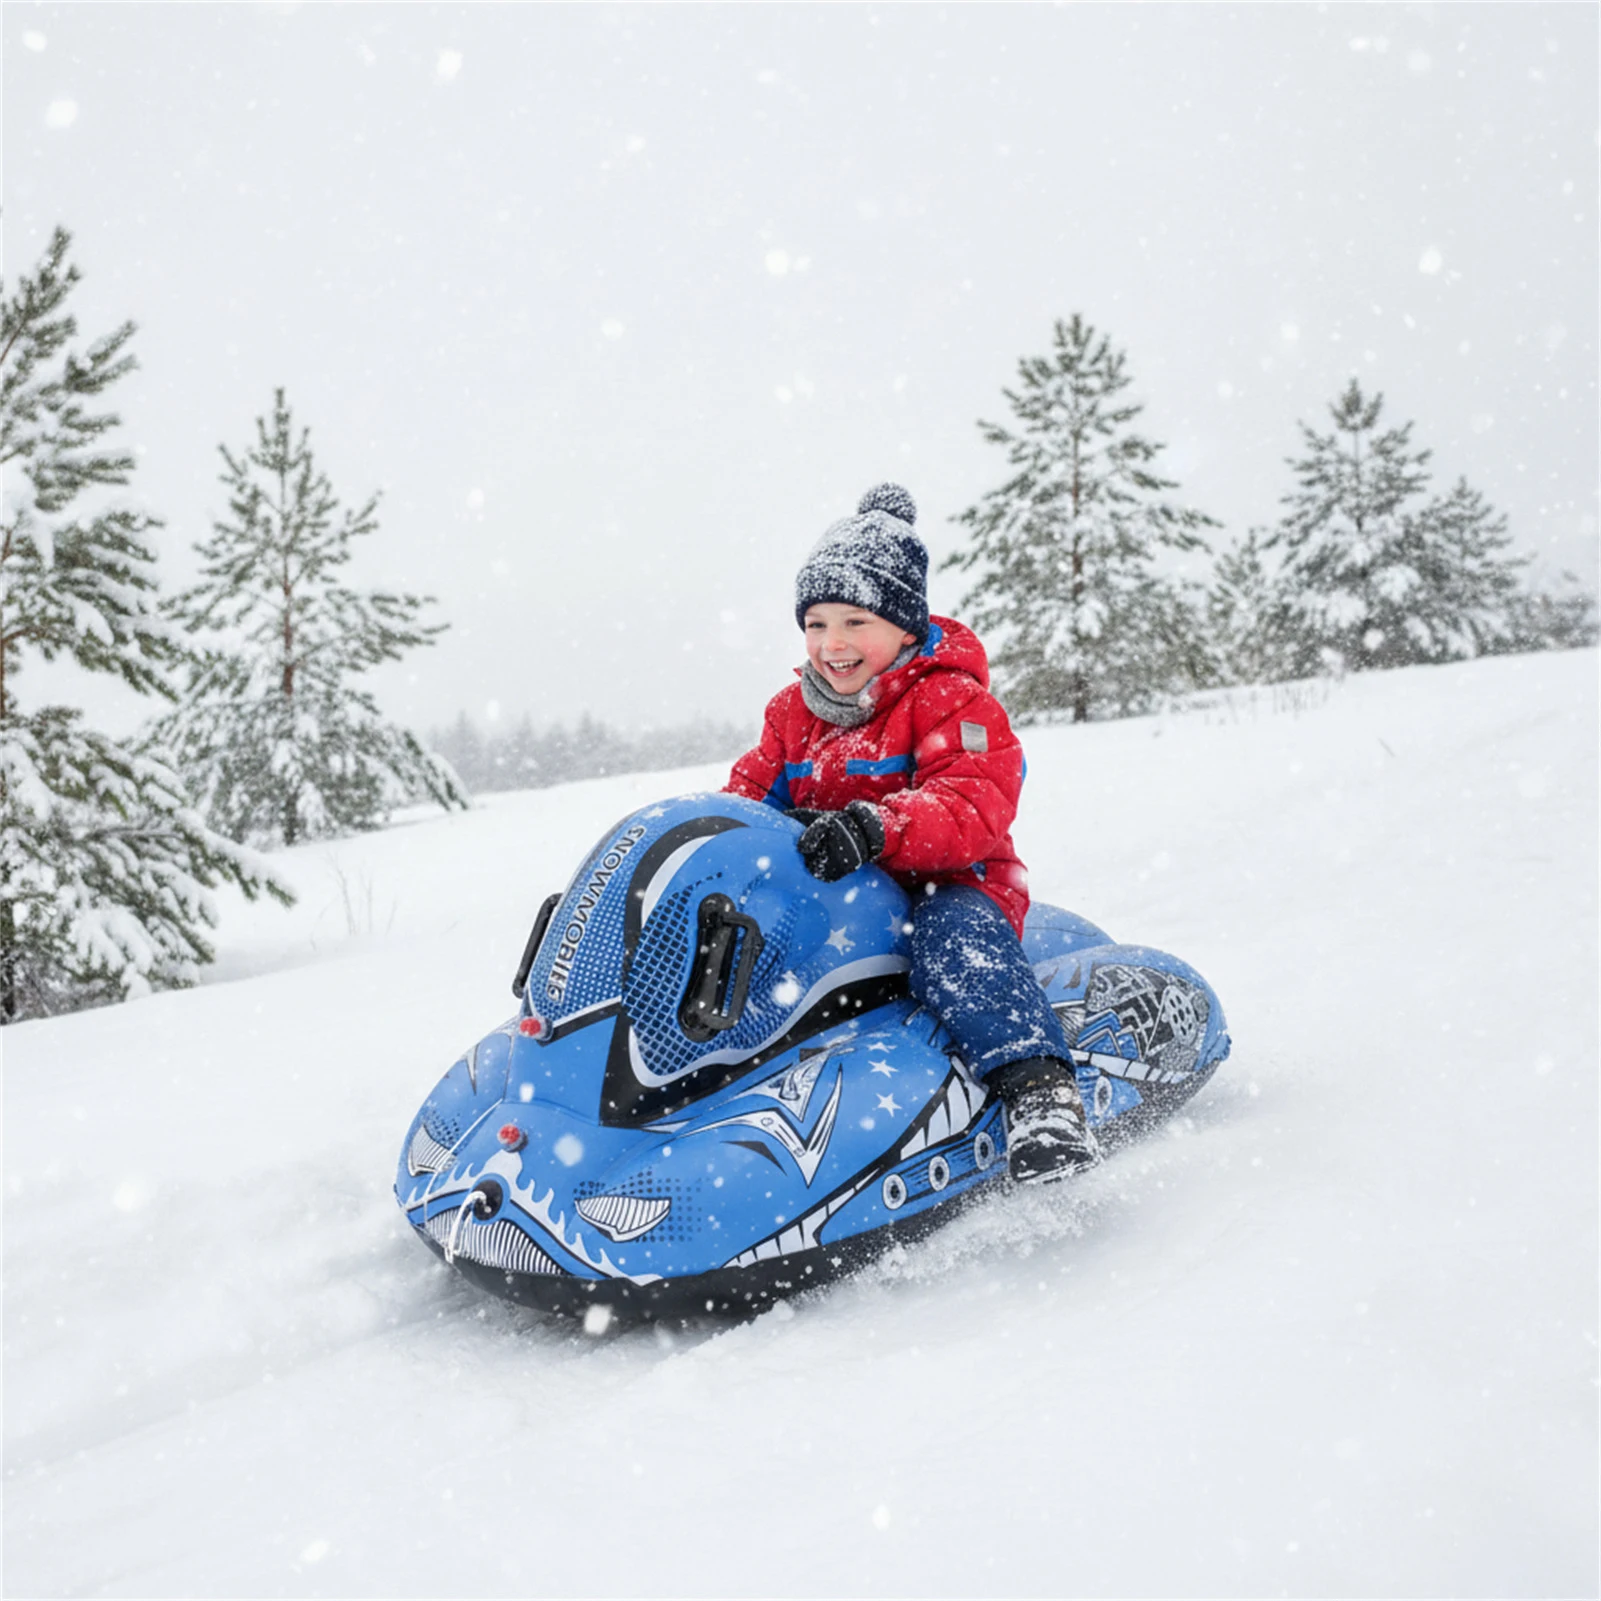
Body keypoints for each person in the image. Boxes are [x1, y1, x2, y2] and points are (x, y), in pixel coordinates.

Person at [724, 481, 1100, 1183]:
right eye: (815, 624)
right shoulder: (789, 714)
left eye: (855, 622)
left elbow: (971, 799)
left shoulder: (950, 698)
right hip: (834, 901)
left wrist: (878, 826)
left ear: (904, 625)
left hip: (948, 882)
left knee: (951, 938)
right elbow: (746, 799)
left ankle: (1038, 1086)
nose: (831, 644)